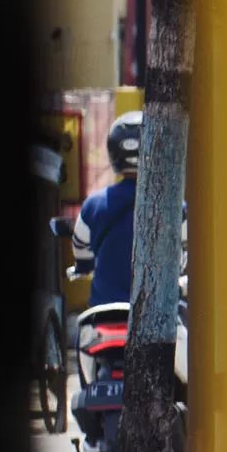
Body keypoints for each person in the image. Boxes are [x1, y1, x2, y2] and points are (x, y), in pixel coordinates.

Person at [73, 109, 144, 306]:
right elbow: (185, 254)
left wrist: (83, 265)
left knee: (83, 335)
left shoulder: (93, 205)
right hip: (158, 321)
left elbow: (81, 254)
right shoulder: (174, 208)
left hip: (105, 314)